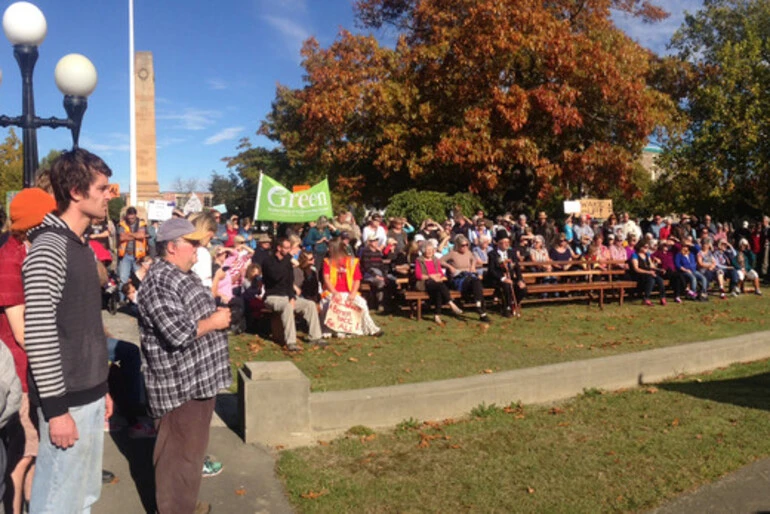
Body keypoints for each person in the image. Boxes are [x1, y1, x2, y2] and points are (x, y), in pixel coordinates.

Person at [23, 149, 114, 512]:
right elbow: (40, 332)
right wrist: (57, 409)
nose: (110, 195)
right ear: (76, 192)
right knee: (58, 500)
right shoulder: (50, 246)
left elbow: (86, 325)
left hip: (89, 393)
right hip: (66, 400)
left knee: (82, 497)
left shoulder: (80, 245)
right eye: (103, 188)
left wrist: (102, 388)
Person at [136, 217, 232, 514]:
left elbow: (187, 317)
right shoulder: (160, 281)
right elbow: (178, 333)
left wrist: (210, 313)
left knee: (191, 452)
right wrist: (214, 321)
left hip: (196, 380)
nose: (198, 250)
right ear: (171, 247)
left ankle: (184, 505)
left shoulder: (180, 273)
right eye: (192, 244)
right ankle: (175, 509)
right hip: (180, 385)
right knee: (178, 453)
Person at [0, 188, 55, 514]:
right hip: (19, 377)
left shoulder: (28, 252)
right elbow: (22, 333)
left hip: (32, 372)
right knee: (21, 457)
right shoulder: (9, 259)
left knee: (34, 455)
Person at [263, 238, 327, 351]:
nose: (289, 251)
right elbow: (276, 277)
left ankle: (315, 337)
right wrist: (288, 259)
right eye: (287, 248)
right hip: (272, 297)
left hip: (287, 296)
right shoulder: (268, 261)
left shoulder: (287, 262)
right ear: (279, 248)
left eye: (289, 248)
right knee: (287, 306)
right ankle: (291, 342)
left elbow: (289, 282)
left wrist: (292, 297)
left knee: (310, 305)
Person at [322, 240, 384, 337]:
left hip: (349, 291)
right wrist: (334, 292)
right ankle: (332, 330)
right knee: (327, 304)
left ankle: (372, 329)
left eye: (330, 248)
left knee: (362, 304)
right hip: (332, 291)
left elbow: (356, 280)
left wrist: (353, 293)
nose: (328, 250)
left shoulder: (352, 262)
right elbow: (326, 278)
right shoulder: (328, 262)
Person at [441, 235, 490, 322]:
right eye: (463, 245)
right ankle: (480, 308)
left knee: (477, 281)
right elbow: (439, 261)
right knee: (475, 282)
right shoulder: (453, 253)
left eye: (467, 245)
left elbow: (473, 259)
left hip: (470, 277)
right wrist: (449, 267)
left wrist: (473, 265)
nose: (465, 247)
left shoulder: (468, 252)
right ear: (458, 245)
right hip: (458, 278)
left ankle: (479, 307)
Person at [414, 242, 463, 325]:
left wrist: (438, 276)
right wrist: (431, 276)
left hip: (437, 283)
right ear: (423, 251)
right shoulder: (419, 260)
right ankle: (450, 303)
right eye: (427, 250)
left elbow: (440, 272)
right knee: (440, 286)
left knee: (439, 290)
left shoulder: (436, 259)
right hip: (425, 283)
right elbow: (418, 275)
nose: (429, 252)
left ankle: (437, 316)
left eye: (431, 250)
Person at [485, 231, 526, 317]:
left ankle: (514, 304)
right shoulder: (492, 254)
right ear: (499, 243)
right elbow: (491, 270)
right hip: (498, 279)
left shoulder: (512, 253)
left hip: (510, 277)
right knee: (506, 286)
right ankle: (506, 308)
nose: (507, 244)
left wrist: (520, 280)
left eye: (508, 242)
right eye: (504, 242)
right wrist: (503, 278)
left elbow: (517, 268)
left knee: (522, 288)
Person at [117, 206, 147, 295]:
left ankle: (138, 298)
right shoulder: (122, 224)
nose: (131, 220)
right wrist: (135, 235)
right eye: (129, 218)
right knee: (123, 278)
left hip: (138, 256)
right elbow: (122, 237)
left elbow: (141, 235)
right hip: (125, 255)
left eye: (132, 218)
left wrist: (128, 234)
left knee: (138, 278)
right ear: (126, 216)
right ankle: (122, 299)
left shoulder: (141, 224)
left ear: (135, 215)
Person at [630, 240, 666, 306]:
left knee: (660, 280)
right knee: (651, 280)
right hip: (639, 274)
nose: (646, 248)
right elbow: (636, 268)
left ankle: (662, 297)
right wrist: (648, 272)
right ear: (640, 247)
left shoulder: (647, 255)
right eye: (645, 247)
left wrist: (659, 269)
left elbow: (651, 265)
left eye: (647, 247)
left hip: (648, 272)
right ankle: (646, 298)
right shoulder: (635, 255)